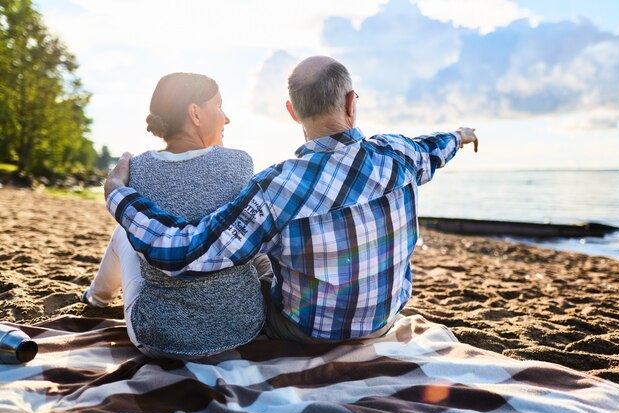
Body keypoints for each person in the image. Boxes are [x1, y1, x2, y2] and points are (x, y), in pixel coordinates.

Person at [104, 56, 479, 344]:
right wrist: (460, 135)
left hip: (307, 331)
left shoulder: (278, 187)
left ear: (292, 111)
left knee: (255, 243)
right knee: (264, 244)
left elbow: (181, 254)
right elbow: (436, 148)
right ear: (351, 102)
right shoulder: (400, 153)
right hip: (384, 319)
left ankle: (97, 294)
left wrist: (120, 197)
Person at [84, 72, 266, 359]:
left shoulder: (138, 170)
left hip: (160, 339)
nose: (226, 118)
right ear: (195, 113)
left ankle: (96, 298)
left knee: (126, 231)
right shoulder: (239, 163)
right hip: (241, 330)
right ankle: (96, 297)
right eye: (219, 106)